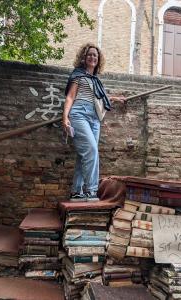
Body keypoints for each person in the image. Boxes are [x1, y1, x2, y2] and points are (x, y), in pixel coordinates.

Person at [63, 43, 112, 201]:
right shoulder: (78, 75)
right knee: (92, 150)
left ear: (98, 60)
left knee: (83, 155)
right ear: (84, 57)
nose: (92, 57)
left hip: (95, 119)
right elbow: (70, 97)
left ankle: (77, 191)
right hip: (79, 114)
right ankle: (91, 190)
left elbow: (99, 98)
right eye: (90, 54)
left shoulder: (96, 80)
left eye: (95, 56)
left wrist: (116, 99)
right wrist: (65, 117)